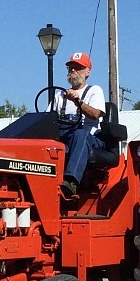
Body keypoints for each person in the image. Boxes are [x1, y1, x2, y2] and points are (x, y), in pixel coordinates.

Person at [50, 52, 106, 198]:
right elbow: (47, 119)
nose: (73, 70)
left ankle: (71, 182)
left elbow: (95, 114)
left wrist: (78, 102)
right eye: (71, 67)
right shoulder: (59, 96)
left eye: (78, 67)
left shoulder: (94, 91)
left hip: (90, 138)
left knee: (80, 134)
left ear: (88, 71)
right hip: (65, 137)